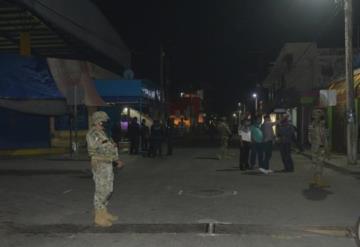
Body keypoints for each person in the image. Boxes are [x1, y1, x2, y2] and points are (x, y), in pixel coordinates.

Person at [86, 111, 124, 227]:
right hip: (100, 164)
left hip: (107, 164)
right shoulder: (93, 134)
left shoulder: (102, 133)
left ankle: (104, 212)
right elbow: (101, 148)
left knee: (108, 189)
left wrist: (116, 159)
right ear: (98, 121)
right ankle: (98, 216)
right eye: (103, 121)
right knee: (101, 190)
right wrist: (112, 152)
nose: (105, 123)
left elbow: (110, 147)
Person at [308, 108, 329, 187]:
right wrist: (326, 148)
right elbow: (324, 137)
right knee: (320, 164)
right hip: (320, 147)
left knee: (315, 163)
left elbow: (309, 138)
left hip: (314, 146)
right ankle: (319, 181)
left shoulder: (311, 125)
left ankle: (315, 180)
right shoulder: (321, 125)